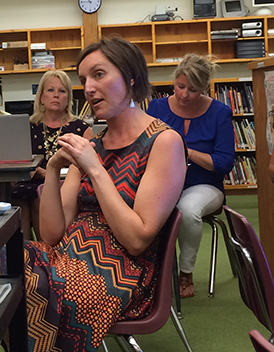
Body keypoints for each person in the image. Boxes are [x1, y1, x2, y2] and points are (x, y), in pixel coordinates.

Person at [24, 38, 186, 352]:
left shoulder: (164, 142)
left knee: (28, 288)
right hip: (66, 260)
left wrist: (94, 170)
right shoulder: (93, 145)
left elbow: (137, 240)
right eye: (83, 79)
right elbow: (51, 234)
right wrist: (57, 167)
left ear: (131, 78)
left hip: (119, 273)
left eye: (99, 75)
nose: (88, 88)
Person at [147, 53, 235, 298]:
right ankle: (146, 274)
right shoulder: (156, 108)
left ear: (205, 88)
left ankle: (185, 272)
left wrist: (187, 151)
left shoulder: (220, 112)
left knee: (187, 209)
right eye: (180, 86)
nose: (184, 94)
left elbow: (224, 163)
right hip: (165, 183)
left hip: (206, 185)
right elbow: (144, 147)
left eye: (193, 90)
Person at [11, 70, 92, 240]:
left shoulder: (82, 129)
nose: (56, 95)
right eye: (50, 90)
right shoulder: (25, 127)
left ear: (68, 98)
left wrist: (43, 173)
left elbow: (86, 171)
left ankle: (47, 253)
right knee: (16, 206)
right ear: (41, 97)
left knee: (39, 200)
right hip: (27, 184)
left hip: (63, 186)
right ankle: (23, 256)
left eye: (62, 91)